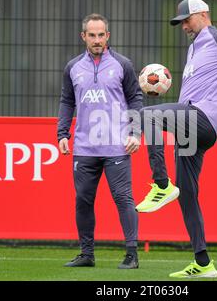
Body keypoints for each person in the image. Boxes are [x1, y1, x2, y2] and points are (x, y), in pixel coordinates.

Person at [135, 0, 217, 278]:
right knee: (187, 195)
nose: (183, 26)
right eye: (181, 22)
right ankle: (203, 263)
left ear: (203, 15)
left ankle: (161, 185)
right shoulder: (194, 48)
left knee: (147, 116)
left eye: (187, 19)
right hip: (191, 127)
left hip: (203, 121)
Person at [57, 13, 143, 269]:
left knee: (123, 198)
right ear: (83, 36)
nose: (97, 40)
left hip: (116, 145)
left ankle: (131, 254)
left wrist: (135, 132)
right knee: (83, 200)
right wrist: (62, 134)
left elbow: (136, 99)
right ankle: (87, 254)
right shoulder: (72, 67)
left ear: (108, 36)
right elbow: (67, 101)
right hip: (84, 147)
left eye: (101, 35)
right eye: (92, 35)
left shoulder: (122, 64)